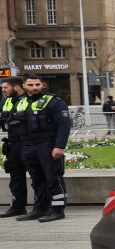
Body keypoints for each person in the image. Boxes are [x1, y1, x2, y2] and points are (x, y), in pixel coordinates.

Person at [16, 76, 69, 222]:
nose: (35, 87)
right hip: (28, 146)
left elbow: (64, 125)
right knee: (36, 179)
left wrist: (59, 146)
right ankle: (40, 209)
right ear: (24, 86)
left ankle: (57, 210)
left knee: (53, 177)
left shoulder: (54, 102)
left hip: (48, 145)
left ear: (42, 85)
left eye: (37, 84)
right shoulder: (21, 103)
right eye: (31, 84)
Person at [1, 77, 32, 217]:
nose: (3, 90)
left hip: (29, 142)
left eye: (5, 87)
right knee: (16, 177)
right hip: (13, 144)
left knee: (37, 176)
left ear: (16, 87)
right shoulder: (6, 101)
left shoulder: (29, 99)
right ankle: (18, 206)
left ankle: (42, 206)